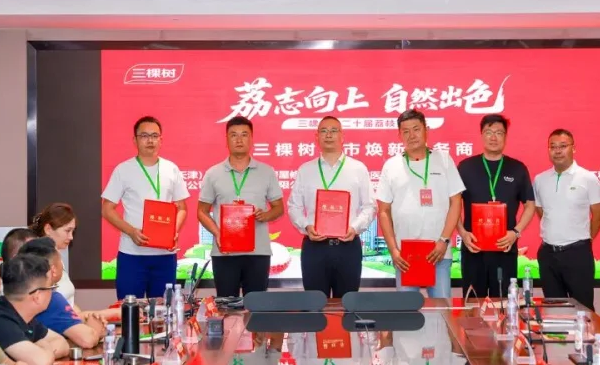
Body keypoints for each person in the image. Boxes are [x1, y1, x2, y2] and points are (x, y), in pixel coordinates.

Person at [377, 110, 464, 299]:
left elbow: (456, 201)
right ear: (399, 135)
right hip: (405, 257)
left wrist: (444, 240)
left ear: (426, 130)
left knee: (443, 310)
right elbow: (383, 211)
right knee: (406, 311)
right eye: (405, 131)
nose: (411, 135)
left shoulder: (444, 160)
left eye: (416, 129)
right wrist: (393, 250)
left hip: (439, 252)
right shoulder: (391, 165)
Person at [101, 116, 190, 300]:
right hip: (132, 254)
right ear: (135, 140)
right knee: (130, 309)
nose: (150, 140)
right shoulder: (123, 170)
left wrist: (173, 231)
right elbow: (107, 209)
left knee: (164, 310)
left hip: (165, 256)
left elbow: (182, 207)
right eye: (144, 136)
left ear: (161, 140)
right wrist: (131, 231)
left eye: (155, 136)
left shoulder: (171, 169)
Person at [287, 116, 376, 298]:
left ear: (342, 136)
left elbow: (370, 206)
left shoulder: (358, 168)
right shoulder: (306, 169)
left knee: (347, 304)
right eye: (324, 131)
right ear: (316, 136)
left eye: (334, 130)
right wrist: (306, 226)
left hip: (347, 247)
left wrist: (355, 227)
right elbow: (294, 206)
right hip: (315, 248)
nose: (329, 135)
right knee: (314, 304)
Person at [198, 116, 285, 297]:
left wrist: (265, 215)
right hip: (224, 252)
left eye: (244, 134)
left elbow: (279, 208)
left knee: (255, 306)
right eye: (234, 135)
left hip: (258, 252)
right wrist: (218, 233)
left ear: (251, 139)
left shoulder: (266, 172)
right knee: (226, 306)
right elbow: (202, 211)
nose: (239, 139)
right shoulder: (213, 173)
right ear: (226, 140)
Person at [457, 114, 536, 299]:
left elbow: (530, 204)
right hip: (473, 248)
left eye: (499, 133)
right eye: (489, 132)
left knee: (504, 304)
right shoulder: (465, 167)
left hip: (505, 248)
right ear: (481, 135)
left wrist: (515, 232)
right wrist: (462, 233)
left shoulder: (517, 168)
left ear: (505, 137)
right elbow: (452, 205)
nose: (493, 137)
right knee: (473, 305)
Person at [532, 129, 600, 310]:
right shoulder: (540, 180)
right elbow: (541, 211)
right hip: (548, 255)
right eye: (553, 147)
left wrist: (583, 239)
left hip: (577, 254)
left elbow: (598, 215)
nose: (557, 151)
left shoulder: (588, 178)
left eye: (563, 146)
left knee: (583, 310)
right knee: (554, 309)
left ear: (573, 148)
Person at [28, 203, 118, 320]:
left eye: (72, 231)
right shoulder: (38, 263)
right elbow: (62, 317)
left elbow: (70, 307)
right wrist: (113, 313)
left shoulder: (57, 258)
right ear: (48, 229)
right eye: (67, 231)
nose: (71, 237)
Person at [0, 254, 70, 365]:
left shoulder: (24, 315)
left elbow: (62, 344)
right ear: (37, 296)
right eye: (51, 287)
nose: (53, 292)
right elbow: (43, 364)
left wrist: (40, 350)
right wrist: (43, 346)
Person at [17, 237, 106, 349]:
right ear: (53, 270)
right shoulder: (51, 298)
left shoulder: (18, 294)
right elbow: (87, 340)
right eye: (60, 260)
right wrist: (95, 330)